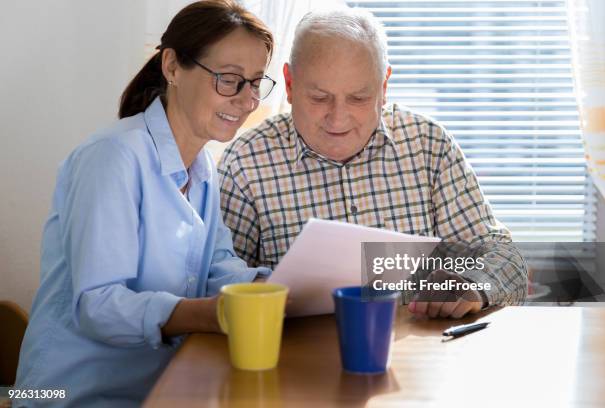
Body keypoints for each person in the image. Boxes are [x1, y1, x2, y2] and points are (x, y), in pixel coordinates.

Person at [15, 1, 275, 406]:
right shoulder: (114, 156)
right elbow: (97, 305)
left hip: (158, 389)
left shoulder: (203, 165)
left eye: (256, 82)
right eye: (229, 79)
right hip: (75, 394)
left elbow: (220, 267)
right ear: (172, 67)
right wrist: (208, 314)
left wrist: (278, 290)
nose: (247, 100)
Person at [218, 8, 527, 320]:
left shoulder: (428, 146)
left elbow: (506, 259)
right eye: (319, 98)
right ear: (289, 84)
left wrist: (472, 285)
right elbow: (215, 287)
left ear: (384, 87)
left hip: (414, 356)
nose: (337, 119)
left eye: (358, 98)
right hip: (293, 357)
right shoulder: (246, 162)